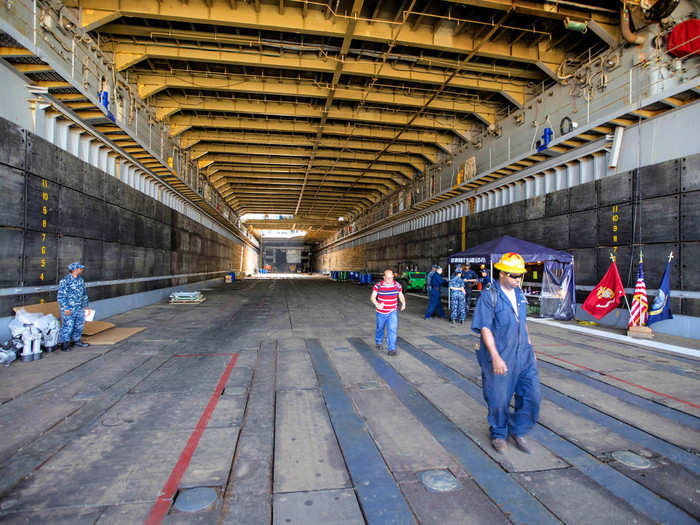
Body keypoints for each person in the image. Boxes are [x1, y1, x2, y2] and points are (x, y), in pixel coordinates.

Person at [471, 252, 540, 454]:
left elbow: (522, 324)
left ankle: (518, 429)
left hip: (523, 355)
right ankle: (499, 433)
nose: (518, 280)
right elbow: (485, 328)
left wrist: (530, 348)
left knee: (532, 396)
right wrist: (495, 357)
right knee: (498, 398)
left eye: (520, 276)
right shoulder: (489, 296)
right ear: (501, 274)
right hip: (501, 354)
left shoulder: (519, 295)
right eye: (513, 276)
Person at [371, 269, 406, 356]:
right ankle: (378, 342)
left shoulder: (397, 285)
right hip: (381, 312)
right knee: (380, 328)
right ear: (384, 277)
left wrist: (403, 303)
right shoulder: (378, 286)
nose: (390, 280)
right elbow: (372, 297)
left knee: (392, 329)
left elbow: (400, 294)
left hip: (392, 311)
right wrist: (377, 304)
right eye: (388, 278)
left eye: (391, 278)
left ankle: (392, 348)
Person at [57, 262, 90, 351]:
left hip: (79, 308)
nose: (81, 270)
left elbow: (84, 294)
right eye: (80, 268)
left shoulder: (81, 280)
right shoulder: (65, 281)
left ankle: (77, 340)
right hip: (69, 309)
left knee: (79, 325)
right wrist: (65, 308)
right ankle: (65, 344)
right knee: (68, 326)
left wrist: (86, 306)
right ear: (75, 269)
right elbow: (61, 296)